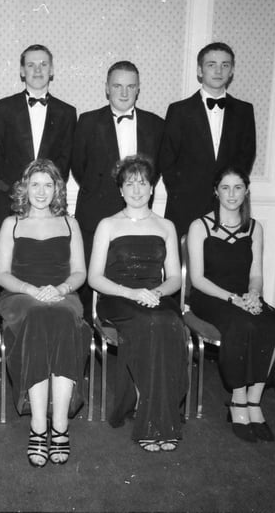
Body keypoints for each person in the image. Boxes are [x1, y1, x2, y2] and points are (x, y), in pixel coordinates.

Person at [88, 155, 187, 453]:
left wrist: (155, 292)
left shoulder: (166, 225)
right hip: (117, 298)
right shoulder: (107, 224)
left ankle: (160, 415)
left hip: (155, 298)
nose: (136, 189)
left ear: (153, 188)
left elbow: (174, 279)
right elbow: (94, 278)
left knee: (169, 322)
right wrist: (132, 293)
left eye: (143, 182)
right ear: (120, 190)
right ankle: (152, 420)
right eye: (129, 183)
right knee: (151, 323)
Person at [0, 159, 90, 468]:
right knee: (37, 315)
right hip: (21, 297)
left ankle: (60, 424)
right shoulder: (12, 223)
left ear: (57, 189)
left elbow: (79, 273)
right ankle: (38, 424)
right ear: (24, 187)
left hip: (63, 295)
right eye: (35, 184)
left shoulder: (69, 223)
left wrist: (60, 289)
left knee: (61, 316)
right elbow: (2, 276)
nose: (41, 191)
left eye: (48, 185)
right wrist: (32, 290)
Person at [186, 165, 275, 443]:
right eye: (225, 187)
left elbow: (256, 273)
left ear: (247, 191)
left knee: (271, 320)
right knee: (241, 323)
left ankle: (254, 402)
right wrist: (234, 300)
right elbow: (197, 279)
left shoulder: (255, 228)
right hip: (210, 297)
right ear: (216, 192)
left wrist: (254, 294)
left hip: (243, 295)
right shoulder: (199, 226)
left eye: (238, 187)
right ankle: (238, 400)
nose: (232, 194)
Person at [0, 44, 77, 332]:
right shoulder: (2, 108)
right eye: (31, 65)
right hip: (8, 204)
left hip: (47, 202)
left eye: (43, 65)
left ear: (52, 70)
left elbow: (63, 163)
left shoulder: (66, 112)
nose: (37, 70)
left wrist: (43, 196)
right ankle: (4, 336)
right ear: (22, 70)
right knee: (5, 272)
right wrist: (17, 196)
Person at [71, 60, 164, 321]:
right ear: (107, 88)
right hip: (95, 214)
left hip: (139, 216)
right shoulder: (88, 122)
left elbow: (157, 170)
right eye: (117, 86)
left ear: (138, 89)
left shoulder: (156, 125)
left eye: (130, 86)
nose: (124, 93)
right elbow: (79, 167)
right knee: (90, 283)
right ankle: (86, 341)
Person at [159, 42, 256, 238]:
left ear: (232, 71)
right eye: (211, 64)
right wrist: (181, 193)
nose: (218, 70)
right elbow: (166, 159)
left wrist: (230, 194)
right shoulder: (178, 111)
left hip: (229, 208)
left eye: (225, 65)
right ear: (200, 70)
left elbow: (246, 157)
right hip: (186, 208)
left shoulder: (245, 111)